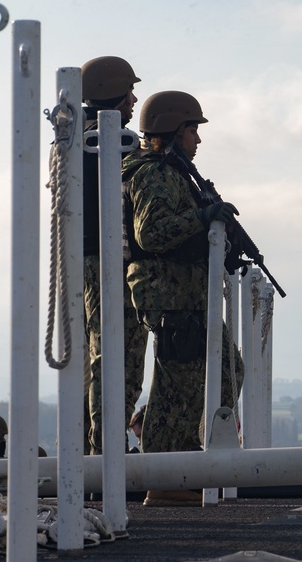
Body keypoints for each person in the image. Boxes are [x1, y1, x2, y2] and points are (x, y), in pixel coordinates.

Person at [121, 90, 244, 506]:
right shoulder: (153, 174)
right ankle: (164, 480)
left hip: (187, 295)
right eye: (192, 128)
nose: (198, 138)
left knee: (223, 373)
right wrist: (203, 217)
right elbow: (151, 233)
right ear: (172, 131)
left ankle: (182, 468)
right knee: (179, 387)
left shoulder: (175, 171)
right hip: (169, 296)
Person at [80, 56, 149, 455]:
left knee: (101, 356)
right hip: (112, 261)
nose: (134, 99)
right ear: (112, 92)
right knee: (119, 357)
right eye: (128, 92)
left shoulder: (78, 137)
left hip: (93, 258)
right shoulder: (115, 141)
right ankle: (107, 451)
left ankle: (98, 450)